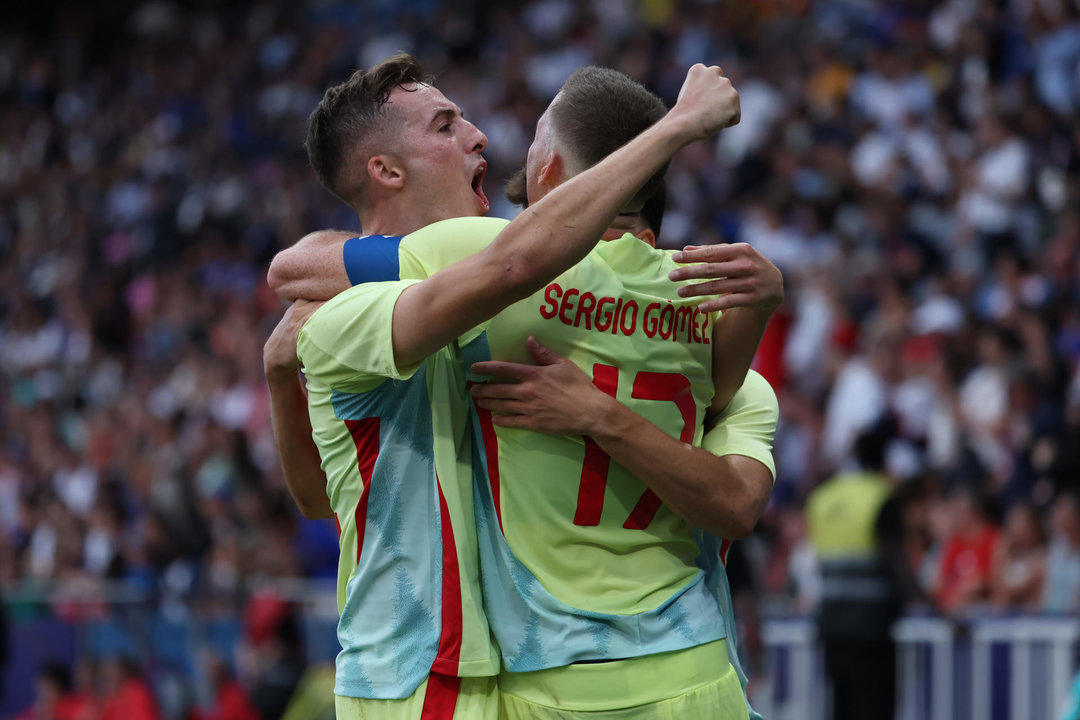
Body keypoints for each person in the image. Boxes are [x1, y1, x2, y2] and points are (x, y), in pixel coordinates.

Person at [269, 56, 744, 719]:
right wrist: (676, 127)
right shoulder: (348, 313)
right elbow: (321, 497)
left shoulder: (500, 286)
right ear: (388, 170)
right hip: (416, 673)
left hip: (501, 674)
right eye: (445, 125)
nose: (480, 135)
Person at [805, 426, 925, 720]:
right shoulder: (882, 497)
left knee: (842, 710)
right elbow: (897, 563)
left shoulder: (824, 498)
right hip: (872, 629)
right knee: (874, 710)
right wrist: (935, 609)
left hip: (832, 625)